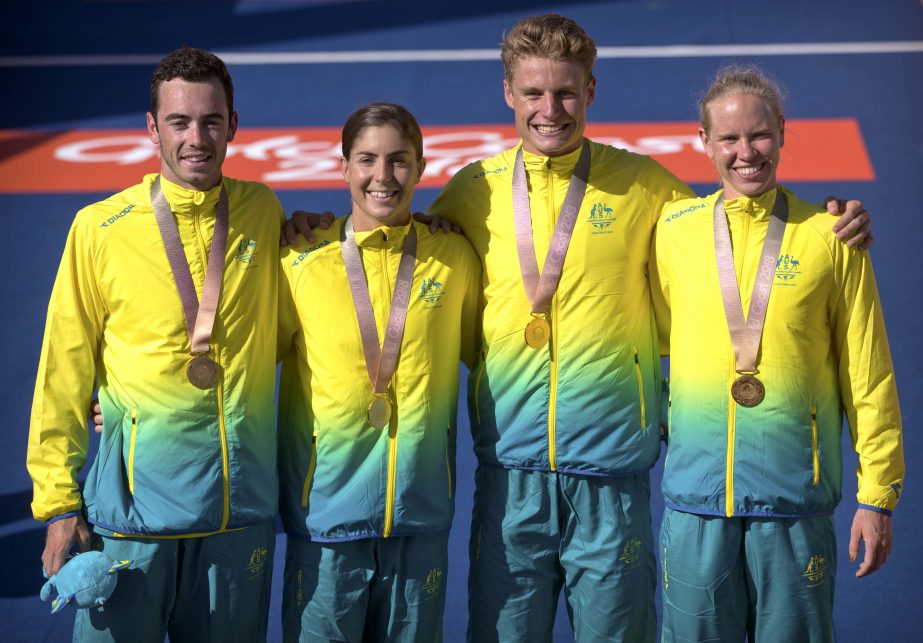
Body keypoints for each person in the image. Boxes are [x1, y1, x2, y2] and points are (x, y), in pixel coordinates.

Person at [284, 15, 873, 641]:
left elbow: (732, 238)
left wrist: (826, 221)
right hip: (510, 478)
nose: (550, 110)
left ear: (591, 90)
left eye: (566, 92)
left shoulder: (645, 186)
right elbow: (399, 250)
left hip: (612, 480)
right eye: (534, 93)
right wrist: (317, 225)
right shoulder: (472, 192)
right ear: (508, 93)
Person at [28, 47, 284, 641]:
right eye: (179, 122)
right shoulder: (99, 229)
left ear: (233, 125)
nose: (197, 137)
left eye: (211, 121)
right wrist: (60, 507)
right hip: (131, 527)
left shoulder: (263, 211)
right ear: (152, 128)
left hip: (235, 518)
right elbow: (62, 372)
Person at [652, 66, 903, 642]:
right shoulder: (672, 230)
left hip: (794, 501)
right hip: (696, 501)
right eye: (730, 139)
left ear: (783, 132)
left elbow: (868, 373)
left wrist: (877, 496)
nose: (746, 153)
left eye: (760, 135)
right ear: (704, 143)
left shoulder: (832, 236)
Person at [276, 103, 481, 641]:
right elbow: (239, 361)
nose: (382, 177)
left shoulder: (455, 257)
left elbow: (497, 350)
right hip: (324, 518)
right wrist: (111, 398)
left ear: (420, 166)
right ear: (344, 166)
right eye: (367, 159)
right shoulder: (298, 261)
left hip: (421, 511)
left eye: (399, 160)